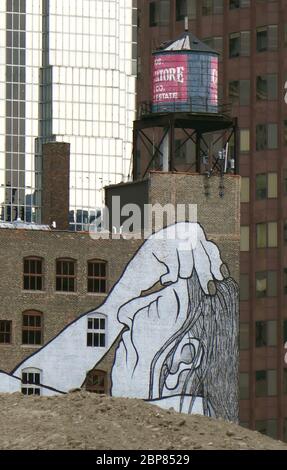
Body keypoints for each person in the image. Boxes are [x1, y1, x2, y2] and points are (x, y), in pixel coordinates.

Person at [0, 222, 238, 421]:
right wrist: (120, 298)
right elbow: (24, 394)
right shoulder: (177, 424)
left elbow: (19, 402)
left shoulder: (120, 428)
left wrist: (117, 303)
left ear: (184, 357)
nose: (125, 313)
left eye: (152, 307)